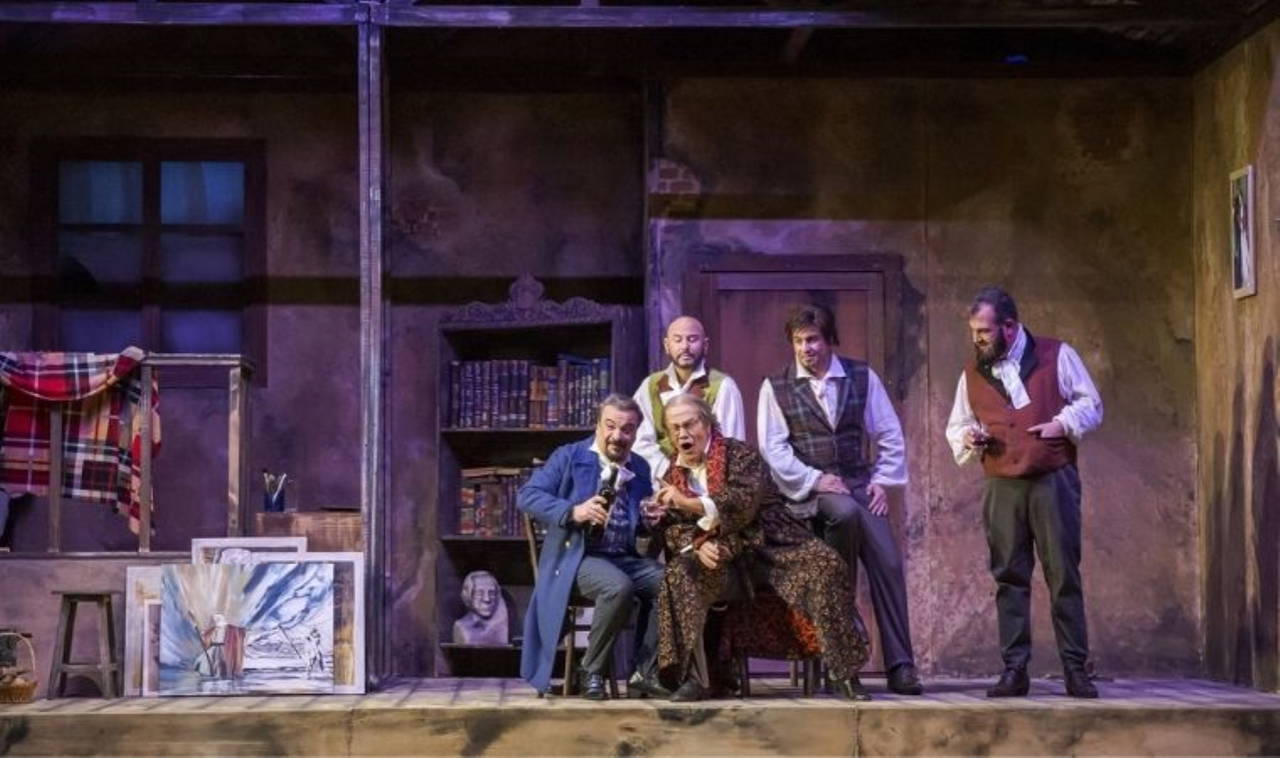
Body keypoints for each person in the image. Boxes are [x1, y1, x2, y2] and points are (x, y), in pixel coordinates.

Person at [651, 394, 871, 701]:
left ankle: (844, 673)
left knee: (826, 564)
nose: (683, 434)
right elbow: (674, 528)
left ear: (707, 423)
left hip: (771, 546)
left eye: (690, 424)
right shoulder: (671, 476)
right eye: (675, 428)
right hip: (725, 559)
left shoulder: (740, 455)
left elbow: (741, 504)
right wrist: (697, 546)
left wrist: (687, 503)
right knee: (680, 573)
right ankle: (699, 678)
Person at [945, 286, 1103, 699]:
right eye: (974, 332)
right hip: (1002, 484)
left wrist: (1062, 424)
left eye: (984, 331)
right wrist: (970, 437)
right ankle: (1014, 669)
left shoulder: (1056, 355)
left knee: (1063, 574)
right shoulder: (973, 372)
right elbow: (958, 424)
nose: (977, 339)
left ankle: (1075, 669)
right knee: (1009, 577)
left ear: (1010, 327)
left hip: (1052, 479)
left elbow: (1090, 403)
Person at [757, 303, 923, 695]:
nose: (806, 349)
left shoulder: (860, 376)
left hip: (858, 483)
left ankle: (901, 665)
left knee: (888, 561)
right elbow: (773, 449)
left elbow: (888, 431)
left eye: (813, 340)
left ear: (829, 339)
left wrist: (883, 481)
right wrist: (815, 479)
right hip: (809, 493)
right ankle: (842, 659)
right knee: (843, 515)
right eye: (799, 341)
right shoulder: (776, 386)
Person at [518, 394, 666, 699]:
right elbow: (527, 496)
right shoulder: (570, 456)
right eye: (610, 426)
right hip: (575, 558)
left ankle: (643, 672)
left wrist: (650, 519)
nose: (617, 436)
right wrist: (574, 511)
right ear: (597, 425)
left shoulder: (639, 466)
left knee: (670, 583)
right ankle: (591, 670)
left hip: (622, 557)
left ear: (635, 433)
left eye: (627, 429)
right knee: (617, 587)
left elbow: (637, 527)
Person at [632, 316, 745, 484]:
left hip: (707, 483)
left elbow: (730, 445)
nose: (685, 346)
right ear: (667, 345)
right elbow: (639, 441)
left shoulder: (723, 386)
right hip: (659, 481)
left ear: (705, 345)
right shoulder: (650, 386)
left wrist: (697, 477)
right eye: (678, 340)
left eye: (692, 339)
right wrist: (670, 472)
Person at [452, 570, 509, 645]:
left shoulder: (501, 622)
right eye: (479, 594)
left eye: (492, 593)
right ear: (468, 596)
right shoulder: (462, 626)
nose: (487, 599)